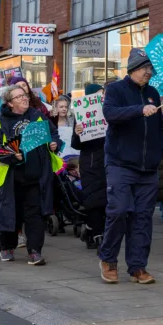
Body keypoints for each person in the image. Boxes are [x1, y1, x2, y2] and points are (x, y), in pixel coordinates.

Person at [97, 48, 163, 285]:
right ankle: (108, 259)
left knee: (143, 218)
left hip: (148, 168)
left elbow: (158, 127)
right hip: (120, 164)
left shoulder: (154, 93)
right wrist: (138, 110)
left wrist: (158, 155)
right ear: (133, 68)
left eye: (150, 68)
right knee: (119, 211)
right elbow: (110, 114)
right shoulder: (116, 89)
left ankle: (137, 266)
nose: (149, 72)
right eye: (145, 68)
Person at [0, 84, 62, 266]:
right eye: (19, 96)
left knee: (35, 215)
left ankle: (34, 251)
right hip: (11, 177)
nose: (24, 98)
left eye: (25, 95)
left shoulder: (37, 116)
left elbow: (54, 134)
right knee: (11, 213)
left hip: (36, 176)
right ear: (9, 103)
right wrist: (12, 156)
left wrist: (54, 143)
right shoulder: (1, 122)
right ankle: (7, 247)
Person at [69, 86, 108, 250]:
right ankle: (98, 236)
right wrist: (78, 133)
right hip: (90, 164)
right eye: (99, 96)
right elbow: (75, 145)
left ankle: (91, 230)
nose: (102, 98)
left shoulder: (110, 113)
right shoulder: (82, 116)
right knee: (93, 201)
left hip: (108, 162)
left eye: (103, 95)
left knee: (106, 200)